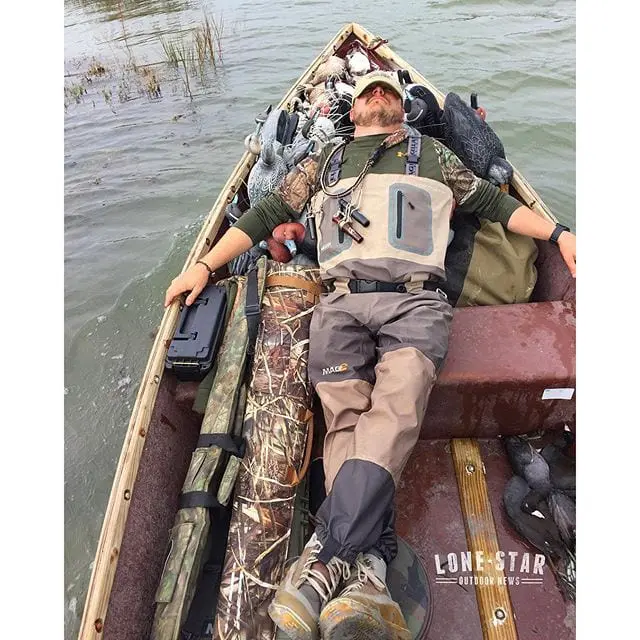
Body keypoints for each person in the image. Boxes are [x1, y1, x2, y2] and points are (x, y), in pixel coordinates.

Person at [164, 70, 577, 640]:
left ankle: (324, 559)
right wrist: (205, 265)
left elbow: (496, 205)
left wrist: (560, 235)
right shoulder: (326, 161)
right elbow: (263, 216)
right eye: (367, 91)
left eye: (386, 89)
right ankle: (369, 572)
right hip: (339, 306)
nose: (376, 93)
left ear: (401, 110)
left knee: (396, 408)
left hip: (415, 303)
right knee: (345, 422)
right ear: (353, 110)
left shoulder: (433, 155)